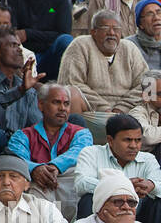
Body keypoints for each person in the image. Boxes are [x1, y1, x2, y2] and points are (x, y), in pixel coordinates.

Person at [74, 113, 161, 223]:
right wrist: (120, 186)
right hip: (106, 215)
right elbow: (81, 183)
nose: (134, 146)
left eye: (138, 140)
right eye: (127, 140)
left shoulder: (148, 159)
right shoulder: (91, 153)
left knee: (160, 202)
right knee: (88, 199)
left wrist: (151, 185)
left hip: (138, 216)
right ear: (110, 140)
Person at [58, 11, 149, 141]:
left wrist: (120, 108)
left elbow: (147, 83)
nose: (112, 33)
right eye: (106, 28)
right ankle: (75, 145)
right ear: (93, 31)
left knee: (152, 90)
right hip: (92, 112)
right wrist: (105, 108)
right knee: (70, 93)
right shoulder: (80, 45)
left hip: (128, 110)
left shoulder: (130, 48)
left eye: (116, 29)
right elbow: (71, 82)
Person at [9, 84, 93, 218]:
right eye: (56, 102)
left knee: (77, 173)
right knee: (28, 178)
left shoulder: (82, 133)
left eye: (66, 104)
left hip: (67, 187)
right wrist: (36, 169)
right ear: (41, 105)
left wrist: (54, 167)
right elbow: (17, 158)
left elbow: (79, 152)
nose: (62, 108)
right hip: (38, 187)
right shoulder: (22, 135)